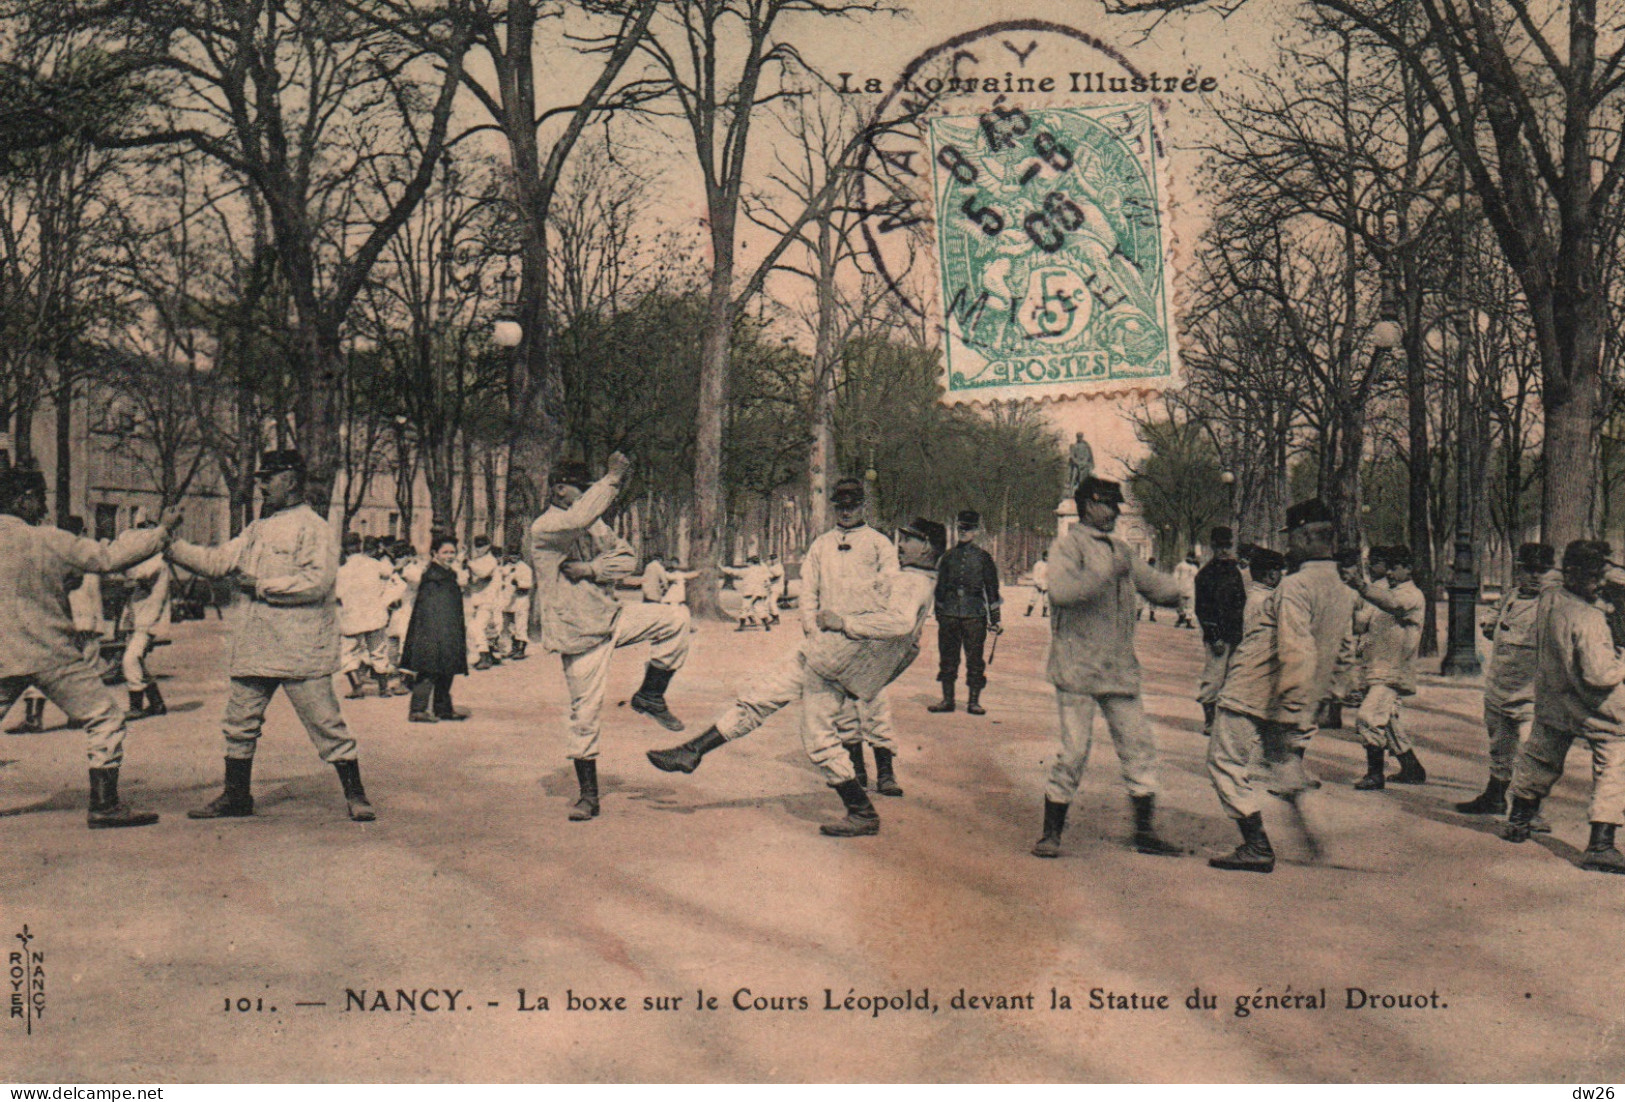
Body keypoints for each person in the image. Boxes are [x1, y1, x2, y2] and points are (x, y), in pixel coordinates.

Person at [647, 519, 946, 836]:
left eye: (908, 540)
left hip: (835, 666)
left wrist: (845, 623)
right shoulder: (910, 578)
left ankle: (862, 812)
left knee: (818, 739)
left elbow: (899, 623)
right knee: (758, 697)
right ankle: (692, 751)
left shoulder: (915, 584)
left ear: (926, 545)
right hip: (823, 654)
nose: (900, 545)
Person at [167, 449, 376, 823]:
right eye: (261, 477)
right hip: (255, 644)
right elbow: (216, 562)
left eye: (269, 477)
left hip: (300, 647)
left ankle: (356, 794)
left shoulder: (315, 528)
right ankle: (236, 796)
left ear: (292, 480)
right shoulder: (257, 529)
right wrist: (168, 543)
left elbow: (318, 582)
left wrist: (261, 584)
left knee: (326, 724)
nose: (261, 484)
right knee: (239, 722)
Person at [0, 468, 179, 827]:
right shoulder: (47, 538)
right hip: (51, 653)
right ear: (24, 500)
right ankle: (104, 805)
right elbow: (109, 557)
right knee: (105, 717)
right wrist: (162, 532)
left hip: (2, 654)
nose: (44, 507)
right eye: (40, 498)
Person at [528, 454, 690, 821]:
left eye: (589, 491)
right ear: (559, 489)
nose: (586, 497)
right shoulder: (546, 527)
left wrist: (593, 568)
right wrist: (612, 478)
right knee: (584, 714)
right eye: (580, 490)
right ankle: (588, 795)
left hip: (611, 616)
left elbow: (628, 559)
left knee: (676, 619)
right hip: (579, 632)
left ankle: (650, 695)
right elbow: (577, 518)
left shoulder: (591, 522)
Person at [1030, 477, 1184, 860]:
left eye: (1117, 505)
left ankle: (1145, 830)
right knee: (1074, 752)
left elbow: (1156, 587)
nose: (1115, 512)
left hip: (1117, 668)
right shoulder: (1068, 546)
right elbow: (1061, 592)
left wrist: (1183, 591)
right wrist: (1105, 574)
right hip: (1077, 667)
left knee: (1139, 747)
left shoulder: (1121, 549)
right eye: (1107, 504)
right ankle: (1052, 833)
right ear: (1087, 505)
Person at [1204, 499, 1355, 873]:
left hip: (1254, 689)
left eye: (1292, 538)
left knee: (1224, 761)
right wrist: (1323, 697)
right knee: (1283, 763)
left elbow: (1296, 646)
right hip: (1293, 695)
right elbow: (1345, 649)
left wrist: (1291, 703)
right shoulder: (1341, 586)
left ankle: (1256, 845)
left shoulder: (1295, 585)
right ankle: (1322, 838)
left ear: (1305, 535)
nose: (1288, 545)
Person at [1503, 541, 1625, 874]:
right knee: (1614, 762)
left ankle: (1519, 819)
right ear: (1572, 574)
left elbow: (1555, 582)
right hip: (1594, 707)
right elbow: (1600, 675)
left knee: (1540, 757)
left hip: (1554, 698)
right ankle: (1601, 845)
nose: (1599, 583)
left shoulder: (1549, 600)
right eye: (1593, 576)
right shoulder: (1589, 619)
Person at [798, 477, 902, 795]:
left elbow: (891, 588)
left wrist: (878, 630)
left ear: (863, 506)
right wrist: (812, 630)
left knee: (875, 705)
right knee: (841, 710)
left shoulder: (879, 543)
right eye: (841, 507)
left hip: (867, 638)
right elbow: (807, 591)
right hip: (831, 639)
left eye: (852, 506)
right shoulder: (821, 545)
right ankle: (856, 769)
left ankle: (886, 772)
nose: (846, 512)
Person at [1458, 543, 1556, 817]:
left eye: (1542, 570)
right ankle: (1495, 797)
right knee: (1500, 746)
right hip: (1500, 686)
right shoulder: (1511, 597)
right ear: (1519, 570)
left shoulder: (1551, 604)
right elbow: (1493, 618)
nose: (1536, 576)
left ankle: (1532, 812)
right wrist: (1490, 624)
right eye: (1530, 570)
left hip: (1532, 694)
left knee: (1531, 752)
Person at [1350, 545, 1428, 790]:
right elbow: (1360, 625)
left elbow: (1394, 605)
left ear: (1409, 569)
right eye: (1389, 568)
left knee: (1369, 717)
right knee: (1388, 720)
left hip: (1393, 671)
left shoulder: (1411, 595)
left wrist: (1362, 587)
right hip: (1374, 667)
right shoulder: (1383, 592)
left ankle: (1375, 774)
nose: (1391, 573)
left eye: (1396, 568)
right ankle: (1412, 768)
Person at [930, 509, 1003, 715]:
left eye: (968, 529)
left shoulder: (983, 558)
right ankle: (947, 700)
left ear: (976, 531)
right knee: (948, 658)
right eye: (961, 528)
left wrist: (995, 619)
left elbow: (992, 590)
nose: (964, 532)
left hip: (975, 616)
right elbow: (940, 589)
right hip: (950, 616)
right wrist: (940, 614)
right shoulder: (948, 557)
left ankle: (974, 702)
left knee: (975, 660)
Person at [399, 534, 469, 723]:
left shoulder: (449, 574)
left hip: (448, 628)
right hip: (432, 630)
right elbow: (429, 608)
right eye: (445, 552)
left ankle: (443, 708)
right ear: (434, 553)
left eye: (452, 552)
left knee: (446, 669)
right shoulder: (433, 576)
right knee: (428, 669)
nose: (450, 556)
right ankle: (418, 710)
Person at [1193, 526, 1246, 737]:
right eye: (1220, 546)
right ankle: (1209, 719)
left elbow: (1241, 602)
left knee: (1234, 678)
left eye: (1228, 546)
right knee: (1214, 679)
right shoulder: (1205, 575)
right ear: (1213, 546)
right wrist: (1214, 636)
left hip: (1236, 633)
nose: (1224, 551)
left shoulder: (1235, 572)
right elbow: (1202, 609)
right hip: (1218, 636)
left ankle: (1227, 721)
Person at [121, 510, 173, 719]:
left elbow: (135, 574)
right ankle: (157, 703)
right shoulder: (150, 559)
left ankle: (136, 706)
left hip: (149, 619)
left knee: (130, 660)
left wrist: (123, 558)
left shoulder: (157, 560)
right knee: (138, 662)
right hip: (139, 616)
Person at [335, 532, 397, 699]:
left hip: (352, 617)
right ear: (360, 545)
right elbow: (391, 574)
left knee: (348, 652)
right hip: (374, 615)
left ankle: (357, 687)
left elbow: (338, 595)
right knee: (378, 650)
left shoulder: (341, 571)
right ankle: (383, 689)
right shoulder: (374, 564)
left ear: (344, 549)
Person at [466, 536, 502, 669]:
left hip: (489, 600)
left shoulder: (491, 560)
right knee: (477, 629)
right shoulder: (478, 561)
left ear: (488, 546)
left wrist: (469, 563)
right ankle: (490, 654)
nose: (479, 548)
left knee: (477, 627)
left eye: (482, 545)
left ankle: (484, 656)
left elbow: (482, 573)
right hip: (478, 599)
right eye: (477, 545)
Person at [722, 555, 776, 631]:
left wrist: (723, 568)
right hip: (759, 594)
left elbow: (735, 571)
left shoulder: (747, 571)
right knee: (759, 609)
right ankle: (766, 625)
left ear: (751, 563)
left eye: (748, 562)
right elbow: (768, 581)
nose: (747, 564)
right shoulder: (763, 571)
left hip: (749, 593)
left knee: (744, 609)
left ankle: (741, 626)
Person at [500, 549, 534, 661]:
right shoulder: (506, 567)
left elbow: (528, 585)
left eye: (516, 555)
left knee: (521, 625)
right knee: (511, 626)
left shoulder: (525, 568)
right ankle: (514, 648)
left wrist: (518, 583)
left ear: (520, 555)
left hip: (520, 600)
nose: (513, 557)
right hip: (509, 601)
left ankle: (521, 649)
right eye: (511, 555)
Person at [1172, 553, 1200, 629]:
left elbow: (1197, 578)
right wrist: (1175, 586)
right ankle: (1181, 617)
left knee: (1190, 606)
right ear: (1187, 557)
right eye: (1190, 557)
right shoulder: (1180, 566)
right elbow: (1175, 576)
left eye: (1192, 558)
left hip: (1191, 588)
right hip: (1181, 587)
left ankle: (1188, 622)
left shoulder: (1194, 567)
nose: (1191, 559)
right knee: (1180, 605)